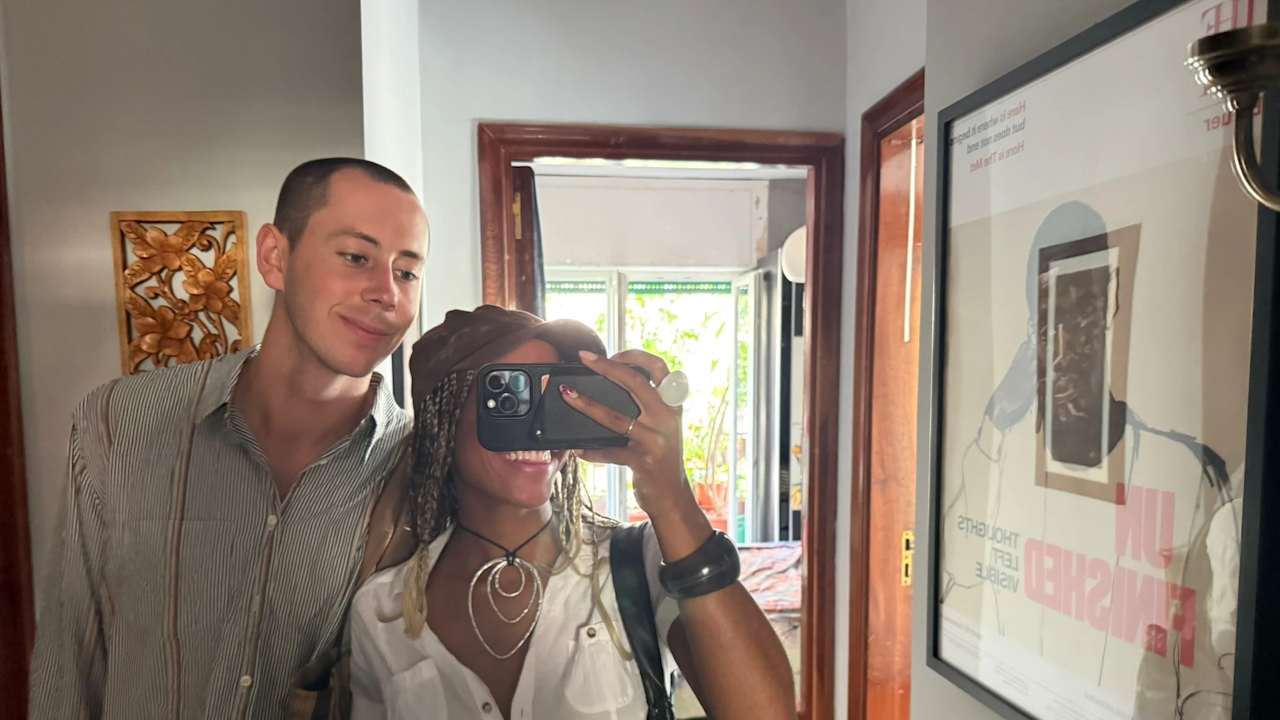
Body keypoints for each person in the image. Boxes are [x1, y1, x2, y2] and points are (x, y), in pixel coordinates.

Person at [28, 158, 428, 719]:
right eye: (356, 257)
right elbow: (69, 658)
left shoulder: (420, 466)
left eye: (406, 272)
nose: (386, 292)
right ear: (275, 257)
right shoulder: (121, 422)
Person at [348, 305, 795, 719]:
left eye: (556, 398)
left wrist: (671, 495)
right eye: (511, 395)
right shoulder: (382, 612)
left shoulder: (638, 565)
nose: (539, 427)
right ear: (443, 418)